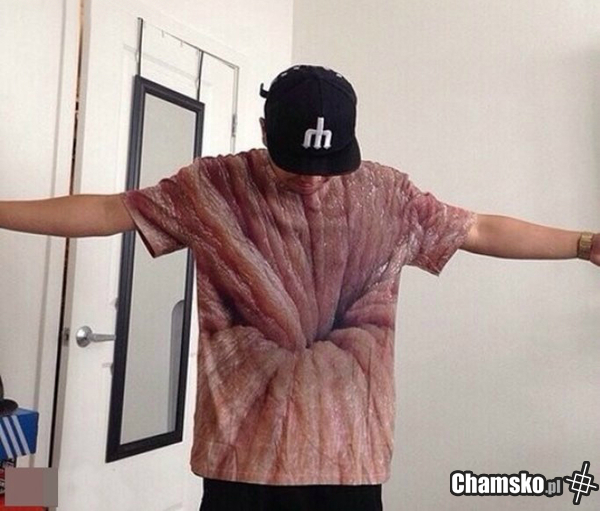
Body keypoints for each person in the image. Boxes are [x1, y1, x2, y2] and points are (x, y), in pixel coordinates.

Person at [0, 65, 598, 511]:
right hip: (242, 460)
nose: (312, 180)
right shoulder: (214, 187)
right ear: (265, 131)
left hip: (348, 460)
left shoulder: (387, 195)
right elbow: (111, 210)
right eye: (295, 163)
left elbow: (478, 228)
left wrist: (580, 243)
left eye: (327, 164)